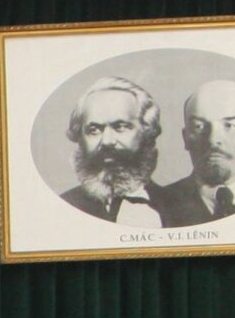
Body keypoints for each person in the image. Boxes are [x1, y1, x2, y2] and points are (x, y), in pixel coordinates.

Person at [153, 80, 235, 226]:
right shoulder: (156, 206)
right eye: (199, 126)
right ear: (186, 138)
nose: (213, 140)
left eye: (229, 125)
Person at [55, 75, 167, 225]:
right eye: (94, 130)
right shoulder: (62, 207)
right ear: (79, 137)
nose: (107, 141)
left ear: (146, 131)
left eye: (120, 126)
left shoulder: (178, 207)